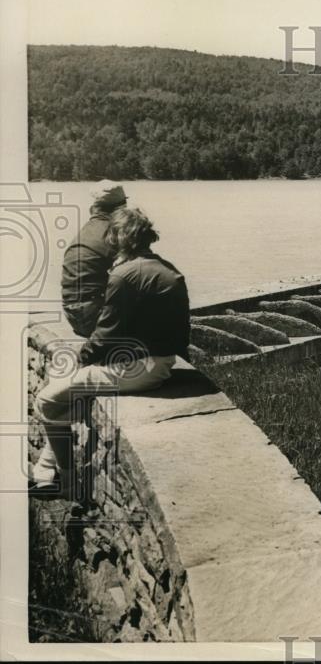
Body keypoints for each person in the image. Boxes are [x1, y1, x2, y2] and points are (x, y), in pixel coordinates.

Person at [32, 207, 190, 499]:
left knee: (46, 401)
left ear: (118, 238)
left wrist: (79, 359)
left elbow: (105, 334)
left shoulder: (124, 275)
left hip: (140, 370)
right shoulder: (161, 266)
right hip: (161, 362)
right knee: (69, 392)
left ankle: (67, 484)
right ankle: (47, 469)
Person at [61, 179, 128, 337]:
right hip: (95, 320)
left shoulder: (86, 230)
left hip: (73, 316)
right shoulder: (114, 233)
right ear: (121, 209)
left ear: (94, 208)